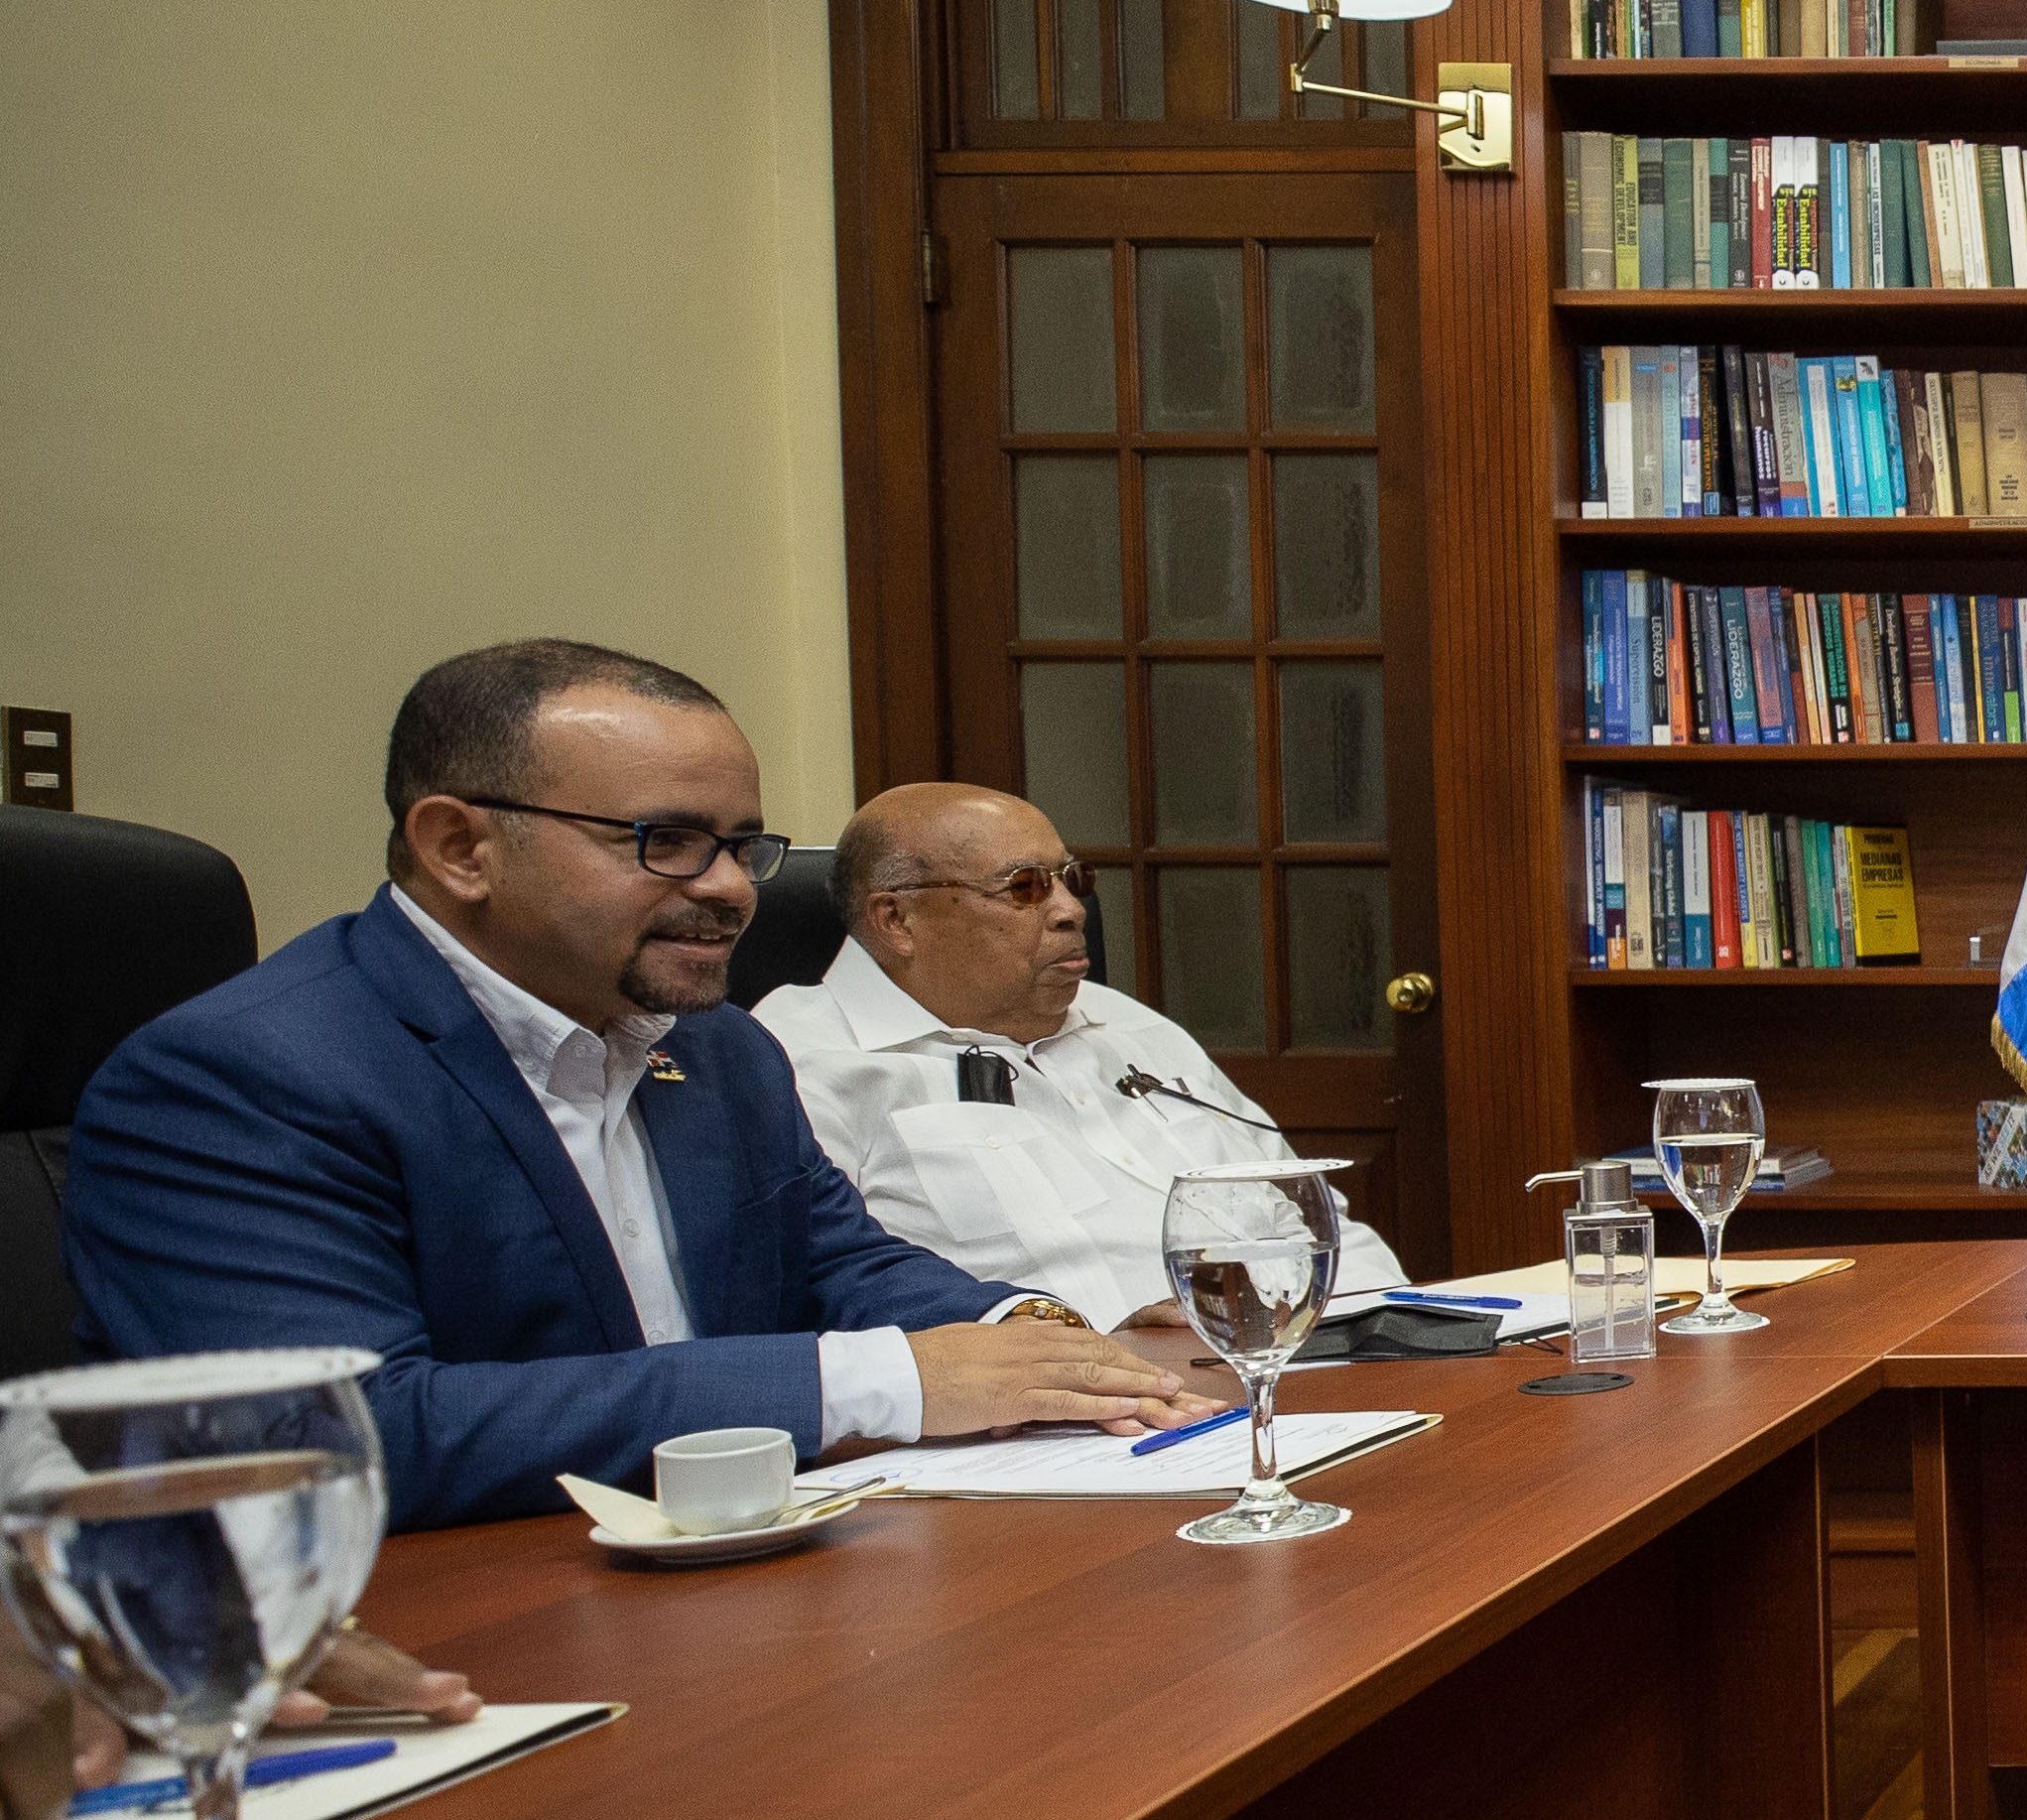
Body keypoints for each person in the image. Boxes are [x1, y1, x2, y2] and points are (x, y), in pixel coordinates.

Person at [66, 641, 1207, 1530]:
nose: (731, 890)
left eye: (742, 845)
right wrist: (878, 1380)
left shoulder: (714, 1048)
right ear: (460, 847)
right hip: (451, 1625)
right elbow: (331, 1435)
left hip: (753, 1560)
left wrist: (1032, 1334)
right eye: (667, 841)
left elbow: (837, 1263)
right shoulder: (244, 1076)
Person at [762, 782, 1404, 1332]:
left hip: (1309, 1365)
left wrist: (1406, 1330)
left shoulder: (1128, 1023)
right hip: (1066, 1413)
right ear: (897, 919)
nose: (1072, 911)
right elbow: (816, 1304)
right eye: (1024, 887)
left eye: (1073, 880)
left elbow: (1313, 1214)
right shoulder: (798, 1065)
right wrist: (1092, 1346)